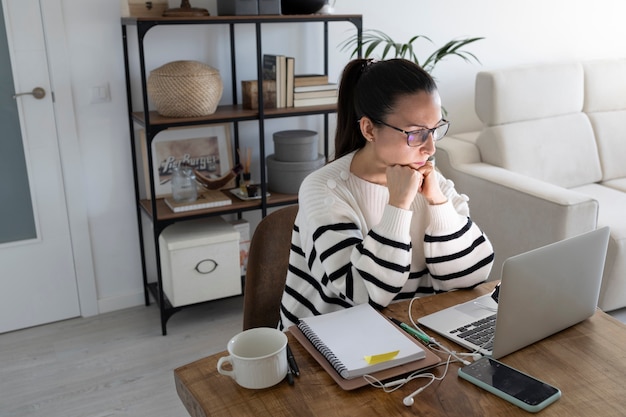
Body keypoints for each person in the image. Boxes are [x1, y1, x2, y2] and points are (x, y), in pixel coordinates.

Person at [278, 58, 494, 330]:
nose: (430, 148)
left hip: (411, 334)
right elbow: (365, 295)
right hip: (329, 344)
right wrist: (398, 206)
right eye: (416, 133)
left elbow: (470, 277)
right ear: (369, 129)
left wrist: (438, 203)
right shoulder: (323, 188)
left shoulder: (430, 178)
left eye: (435, 130)